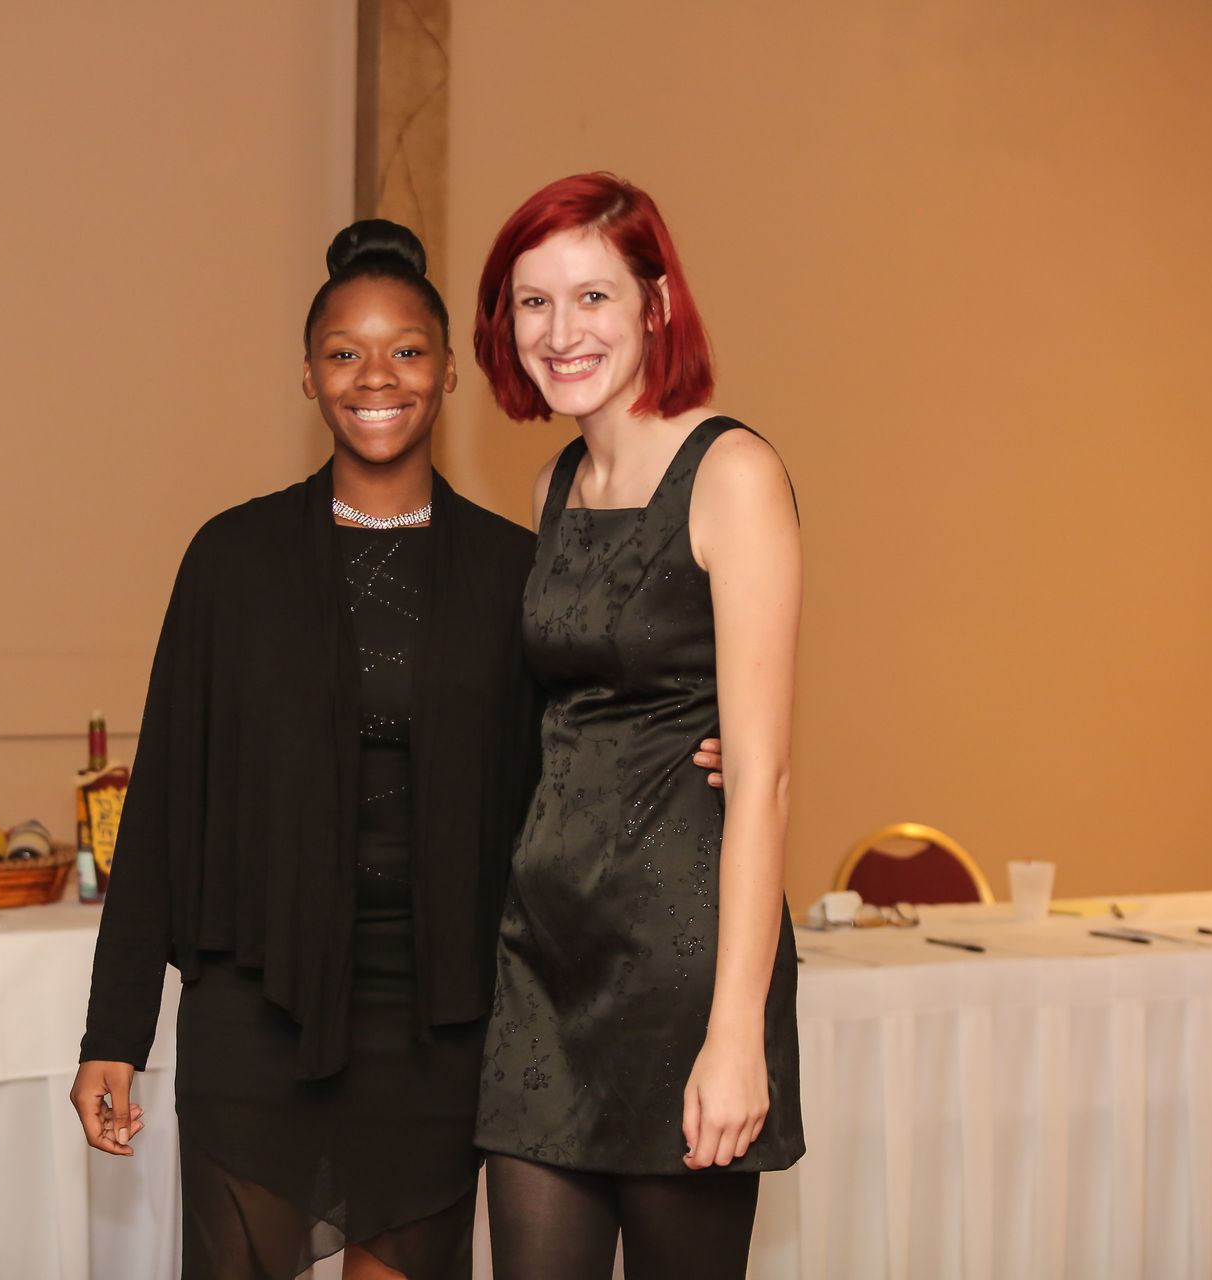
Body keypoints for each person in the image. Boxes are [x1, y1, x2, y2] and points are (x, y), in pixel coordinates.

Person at [70, 219, 728, 1280]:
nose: (376, 376)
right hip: (257, 1012)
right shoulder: (231, 560)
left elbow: (579, 753)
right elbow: (161, 805)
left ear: (450, 371)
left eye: (407, 350)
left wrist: (699, 746)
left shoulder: (516, 572)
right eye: (345, 352)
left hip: (441, 1023)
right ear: (308, 376)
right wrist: (115, 1028)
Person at [469, 173, 806, 1280]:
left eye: (593, 297)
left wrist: (736, 1032)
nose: (560, 332)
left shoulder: (733, 474)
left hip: (681, 963)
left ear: (656, 305)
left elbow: (761, 777)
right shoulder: (554, 483)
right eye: (533, 302)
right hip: (544, 959)